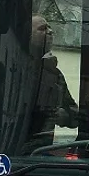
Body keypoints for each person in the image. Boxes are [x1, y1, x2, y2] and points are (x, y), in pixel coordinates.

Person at [27, 15, 78, 147]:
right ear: (27, 35)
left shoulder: (55, 74)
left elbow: (75, 115)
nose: (50, 31)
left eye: (50, 28)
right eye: (43, 28)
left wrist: (64, 116)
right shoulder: (8, 68)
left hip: (40, 152)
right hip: (8, 154)